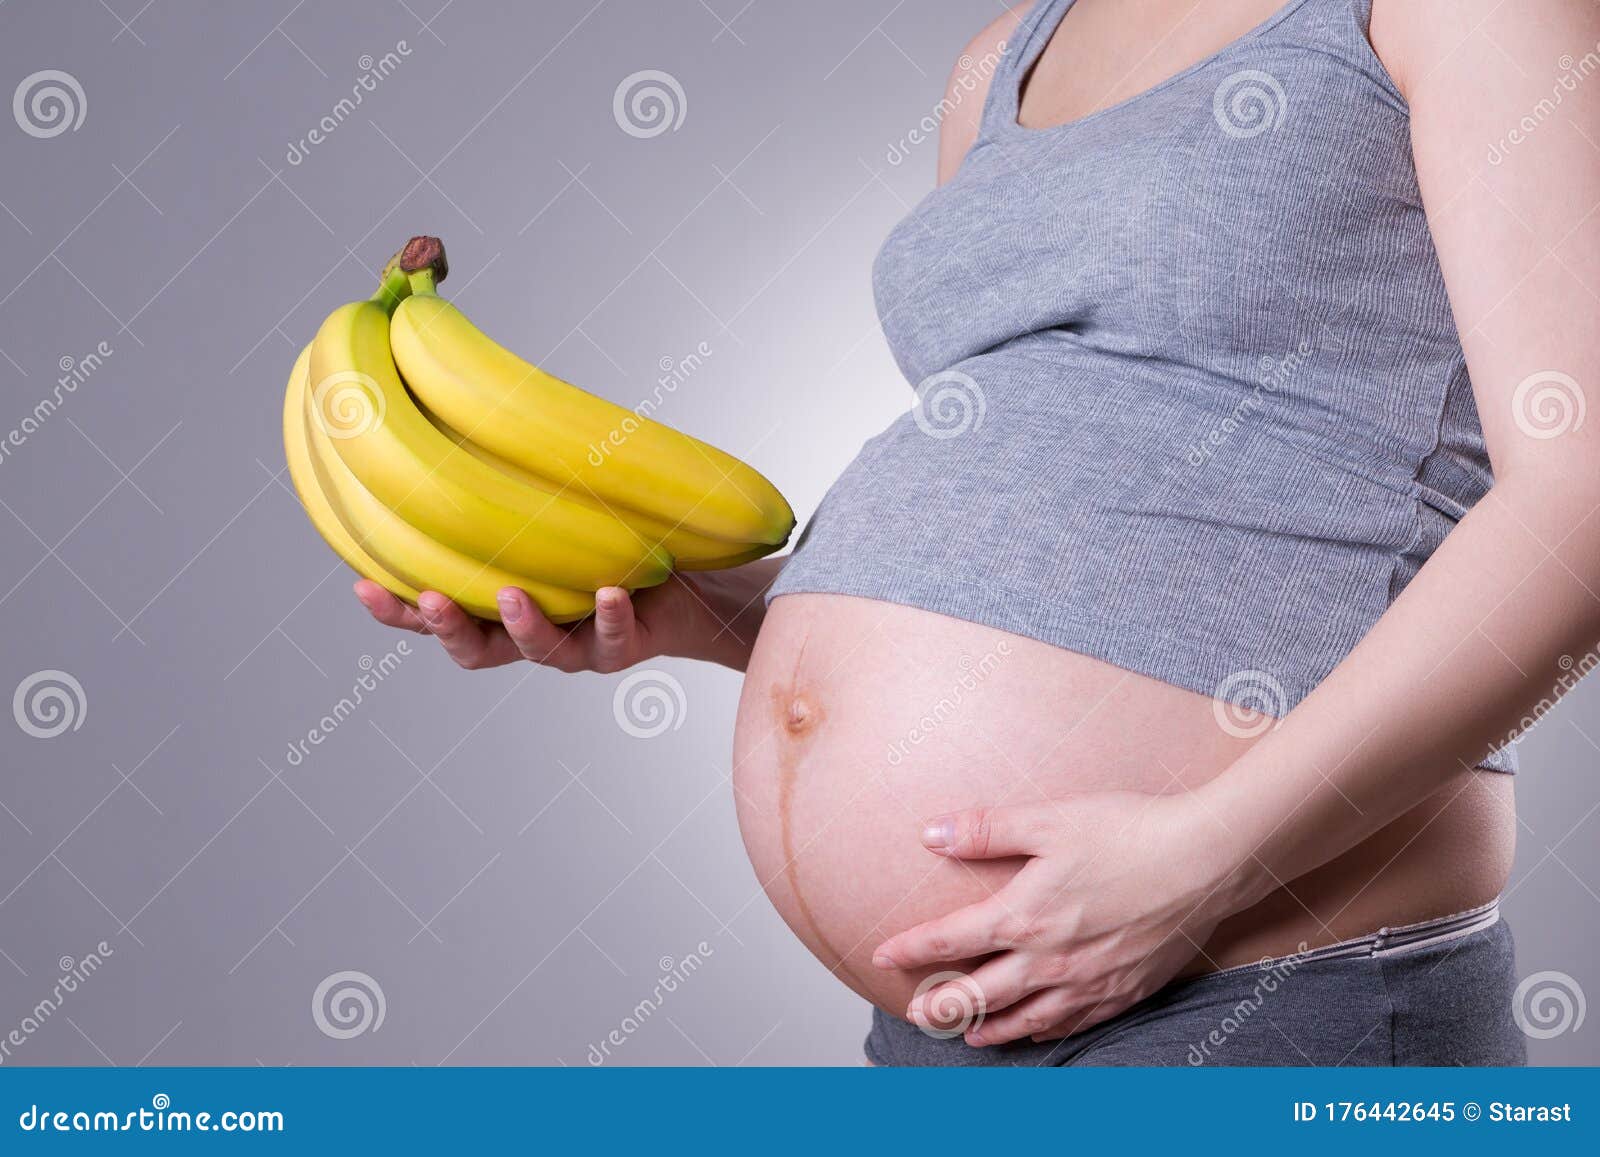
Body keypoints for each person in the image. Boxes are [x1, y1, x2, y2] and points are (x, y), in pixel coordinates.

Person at [358, 0, 1599, 1065]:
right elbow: (1069, 520)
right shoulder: (1004, 57)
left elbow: (1579, 500)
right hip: (948, 1033)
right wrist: (724, 614)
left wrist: (1202, 859)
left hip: (1261, 994)